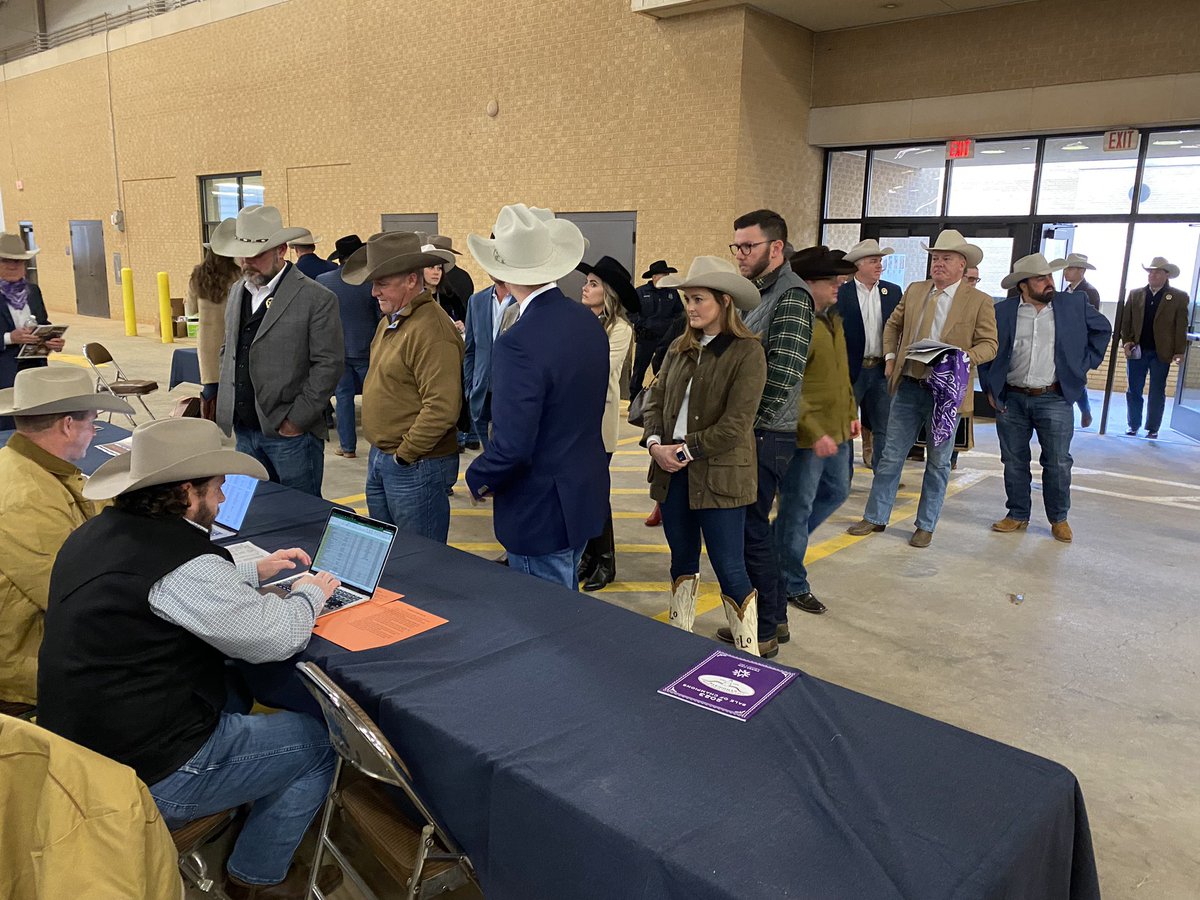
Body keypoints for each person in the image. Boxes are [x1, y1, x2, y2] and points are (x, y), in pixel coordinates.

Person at [37, 417, 342, 899]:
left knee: (238, 691)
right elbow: (275, 638)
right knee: (321, 743)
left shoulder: (100, 532)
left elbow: (171, 589)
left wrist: (251, 570)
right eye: (217, 489)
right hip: (147, 772)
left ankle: (246, 799)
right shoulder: (181, 566)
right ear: (186, 492)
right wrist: (309, 594)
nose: (221, 501)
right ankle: (258, 879)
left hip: (80, 750)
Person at [464, 204, 609, 589]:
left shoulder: (518, 342)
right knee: (566, 602)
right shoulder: (586, 320)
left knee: (546, 621)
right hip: (582, 493)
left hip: (539, 508)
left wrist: (477, 476)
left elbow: (514, 446)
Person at [641, 257, 767, 654]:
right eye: (687, 300)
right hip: (672, 471)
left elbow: (737, 424)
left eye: (699, 299)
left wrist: (684, 449)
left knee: (730, 566)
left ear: (725, 302)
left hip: (720, 477)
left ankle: (748, 652)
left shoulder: (747, 352)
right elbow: (654, 401)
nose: (690, 307)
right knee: (682, 559)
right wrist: (654, 444)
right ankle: (681, 642)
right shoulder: (680, 348)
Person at [847, 229, 998, 548]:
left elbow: (990, 344)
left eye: (946, 259)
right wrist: (890, 356)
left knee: (939, 461)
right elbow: (893, 325)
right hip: (909, 387)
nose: (938, 264)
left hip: (947, 395)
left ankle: (926, 524)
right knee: (890, 456)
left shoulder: (979, 301)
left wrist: (961, 359)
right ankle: (875, 516)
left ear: (962, 264)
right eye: (935, 258)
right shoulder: (915, 290)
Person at [0, 368, 132, 710]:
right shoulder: (25, 499)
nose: (93, 432)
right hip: (30, 664)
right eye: (92, 423)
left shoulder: (29, 465)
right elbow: (73, 598)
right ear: (68, 425)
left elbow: (86, 503)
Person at [212, 205, 344, 497]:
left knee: (300, 516)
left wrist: (296, 420)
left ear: (281, 250)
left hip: (291, 438)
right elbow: (229, 348)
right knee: (251, 511)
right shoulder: (237, 291)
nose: (247, 262)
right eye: (242, 254)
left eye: (256, 254)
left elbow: (329, 365)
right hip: (244, 431)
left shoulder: (316, 298)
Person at [981, 253, 1111, 543]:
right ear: (1023, 285)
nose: (1050, 282)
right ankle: (1017, 514)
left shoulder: (1073, 304)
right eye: (1041, 279)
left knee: (1057, 461)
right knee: (1014, 460)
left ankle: (1059, 518)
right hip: (1011, 398)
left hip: (1054, 396)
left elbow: (1103, 329)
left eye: (1050, 276)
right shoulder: (1002, 311)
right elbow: (986, 347)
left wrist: (1083, 364)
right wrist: (989, 386)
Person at [342, 232, 462, 541]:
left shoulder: (431, 329)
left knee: (419, 562)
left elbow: (442, 407)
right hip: (389, 457)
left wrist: (405, 455)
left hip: (415, 464)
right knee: (392, 556)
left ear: (411, 280)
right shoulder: (392, 320)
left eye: (382, 283)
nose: (373, 292)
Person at [730, 209, 814, 648]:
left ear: (776, 248)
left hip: (765, 434)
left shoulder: (792, 296)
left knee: (750, 530)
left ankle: (763, 630)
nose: (740, 255)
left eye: (749, 247)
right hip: (751, 431)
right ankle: (773, 619)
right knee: (752, 529)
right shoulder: (753, 292)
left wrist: (737, 426)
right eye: (737, 247)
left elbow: (783, 375)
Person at [772, 247, 859, 619]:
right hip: (808, 436)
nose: (838, 285)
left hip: (838, 429)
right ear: (808, 284)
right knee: (797, 506)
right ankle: (790, 581)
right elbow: (791, 386)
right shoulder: (800, 322)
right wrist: (813, 428)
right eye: (830, 281)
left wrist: (852, 411)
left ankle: (776, 547)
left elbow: (839, 375)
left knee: (837, 492)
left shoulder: (831, 319)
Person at [576, 256, 638, 592]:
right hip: (575, 423)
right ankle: (587, 555)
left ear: (609, 292)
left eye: (593, 284)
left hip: (599, 425)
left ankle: (606, 561)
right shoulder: (582, 320)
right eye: (586, 282)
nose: (585, 288)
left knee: (597, 493)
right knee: (582, 491)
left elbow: (600, 370)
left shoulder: (620, 329)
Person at [837, 239, 901, 471]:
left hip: (881, 370)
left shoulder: (892, 292)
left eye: (880, 261)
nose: (879, 266)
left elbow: (898, 329)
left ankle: (883, 475)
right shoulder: (841, 293)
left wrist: (892, 359)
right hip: (850, 371)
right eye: (874, 261)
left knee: (884, 425)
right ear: (858, 265)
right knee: (845, 427)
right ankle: (844, 476)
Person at [317, 234, 380, 459]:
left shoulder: (323, 281)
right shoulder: (370, 281)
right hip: (367, 347)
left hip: (337, 348)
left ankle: (347, 446)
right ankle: (379, 442)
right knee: (375, 398)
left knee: (343, 398)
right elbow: (380, 315)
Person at [1119, 256, 1189, 439]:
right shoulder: (1136, 294)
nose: (1152, 275)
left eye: (1157, 272)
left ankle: (1153, 428)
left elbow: (1181, 326)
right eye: (1150, 271)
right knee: (1134, 389)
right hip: (1138, 350)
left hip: (1161, 352)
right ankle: (1133, 424)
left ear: (1167, 275)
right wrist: (1126, 341)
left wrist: (1179, 351)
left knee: (1157, 390)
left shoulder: (1178, 297)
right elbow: (1126, 322)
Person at [1, 232, 65, 431]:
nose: (13, 266)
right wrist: (9, 338)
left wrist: (51, 340)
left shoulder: (33, 291)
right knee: (7, 431)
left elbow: (43, 323)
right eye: (6, 261)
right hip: (4, 376)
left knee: (37, 427)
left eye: (18, 262)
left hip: (35, 371)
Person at [186, 245, 241, 418]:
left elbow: (191, 309)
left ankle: (209, 420)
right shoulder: (237, 274)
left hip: (207, 339)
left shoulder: (198, 275)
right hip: (233, 334)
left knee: (210, 383)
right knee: (237, 381)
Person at [463, 277, 513, 451]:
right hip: (480, 397)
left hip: (512, 398)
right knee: (488, 458)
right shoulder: (476, 300)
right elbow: (470, 350)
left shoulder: (524, 302)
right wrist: (470, 388)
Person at [1056, 252, 1103, 428]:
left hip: (1078, 343)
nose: (1066, 272)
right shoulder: (1067, 290)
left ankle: (1085, 410)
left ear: (1081, 271)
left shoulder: (1089, 292)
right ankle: (1083, 409)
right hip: (1064, 341)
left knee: (1076, 377)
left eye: (1070, 268)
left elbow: (1092, 321)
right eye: (1066, 268)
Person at [629, 260, 681, 400]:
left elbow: (679, 313)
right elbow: (631, 312)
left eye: (667, 275)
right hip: (646, 338)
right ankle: (634, 400)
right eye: (663, 275)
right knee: (639, 370)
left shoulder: (672, 293)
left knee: (664, 370)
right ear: (654, 276)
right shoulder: (640, 292)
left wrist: (671, 326)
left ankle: (662, 399)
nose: (666, 277)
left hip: (665, 339)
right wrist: (643, 323)